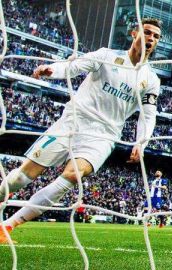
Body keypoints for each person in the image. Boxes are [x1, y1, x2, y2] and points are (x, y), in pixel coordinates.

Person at [0, 18, 163, 243]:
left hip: (103, 136)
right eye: (147, 32)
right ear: (134, 34)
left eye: (156, 36)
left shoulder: (151, 80)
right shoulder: (106, 56)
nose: (151, 38)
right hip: (73, 122)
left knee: (73, 174)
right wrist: (52, 70)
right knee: (21, 177)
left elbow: (148, 114)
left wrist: (141, 142)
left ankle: (8, 226)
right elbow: (74, 66)